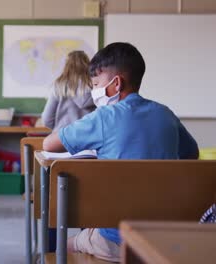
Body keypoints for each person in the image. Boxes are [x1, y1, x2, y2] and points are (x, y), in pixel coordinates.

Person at [43, 42, 199, 262]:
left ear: (116, 84)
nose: (93, 92)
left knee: (58, 248)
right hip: (164, 238)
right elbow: (192, 153)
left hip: (115, 239)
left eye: (96, 84)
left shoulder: (104, 117)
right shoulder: (166, 115)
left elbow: (49, 145)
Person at [41, 50, 95, 131]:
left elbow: (46, 119)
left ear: (67, 66)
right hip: (89, 137)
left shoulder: (59, 86)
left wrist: (59, 129)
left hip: (62, 139)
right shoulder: (95, 85)